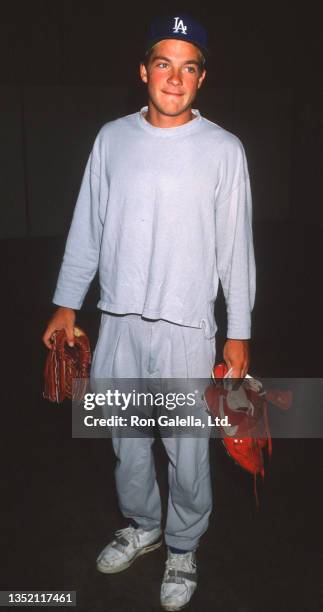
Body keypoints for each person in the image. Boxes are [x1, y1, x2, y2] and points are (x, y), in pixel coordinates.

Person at [42, 13, 256, 611]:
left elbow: (236, 248)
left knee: (187, 446)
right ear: (144, 70)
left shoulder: (223, 150)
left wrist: (238, 333)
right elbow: (88, 228)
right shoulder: (111, 139)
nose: (175, 77)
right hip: (119, 321)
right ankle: (143, 524)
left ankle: (183, 544)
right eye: (164, 62)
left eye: (189, 67)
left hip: (188, 327)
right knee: (127, 439)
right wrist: (65, 305)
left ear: (202, 78)